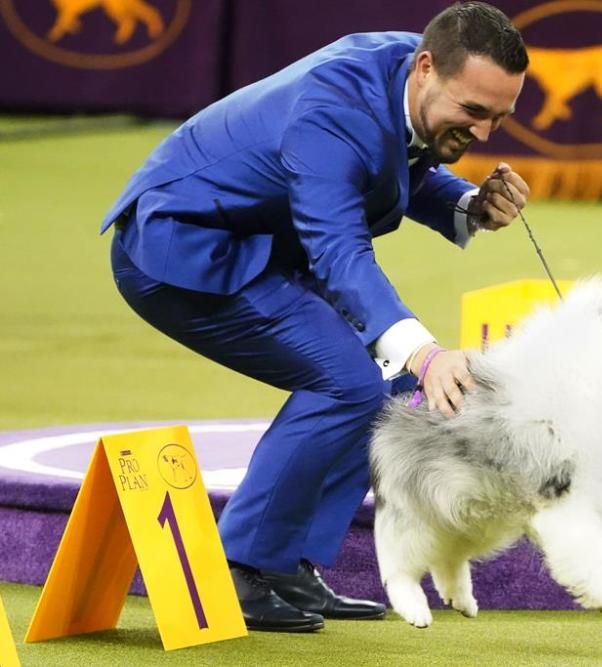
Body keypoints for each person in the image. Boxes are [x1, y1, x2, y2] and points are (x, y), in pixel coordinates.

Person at [101, 2, 529, 632]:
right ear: (427, 68)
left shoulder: (408, 71)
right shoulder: (336, 109)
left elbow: (391, 161)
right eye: (473, 112)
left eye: (500, 116)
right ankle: (238, 566)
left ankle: (283, 562)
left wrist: (467, 204)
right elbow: (338, 248)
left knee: (390, 384)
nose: (486, 132)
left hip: (262, 244)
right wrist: (425, 350)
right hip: (181, 249)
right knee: (354, 382)